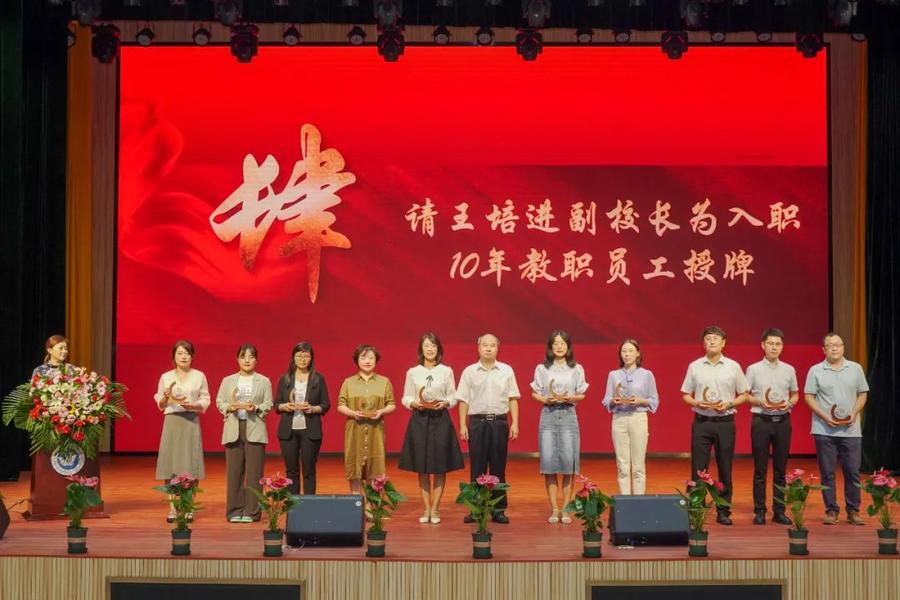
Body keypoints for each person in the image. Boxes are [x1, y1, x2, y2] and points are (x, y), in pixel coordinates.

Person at [680, 326, 749, 525]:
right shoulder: (695, 366)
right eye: (708, 338)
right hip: (701, 422)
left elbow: (744, 394)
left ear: (723, 343)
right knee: (698, 468)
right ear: (703, 343)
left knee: (725, 467)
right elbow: (685, 394)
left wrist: (729, 404)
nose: (712, 341)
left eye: (716, 338)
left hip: (725, 423)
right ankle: (697, 509)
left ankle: (723, 510)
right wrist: (696, 403)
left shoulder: (733, 366)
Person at [398, 333, 465, 524]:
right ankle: (426, 508)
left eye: (433, 346)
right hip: (419, 419)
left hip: (440, 419)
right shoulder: (413, 372)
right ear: (421, 349)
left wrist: (446, 403)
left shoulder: (446, 371)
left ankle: (435, 509)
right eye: (426, 345)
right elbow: (406, 397)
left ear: (438, 349)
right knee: (422, 467)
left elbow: (453, 396)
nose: (430, 349)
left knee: (440, 466)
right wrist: (413, 403)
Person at [804, 332, 869, 526]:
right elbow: (809, 396)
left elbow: (862, 394)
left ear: (843, 347)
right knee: (827, 472)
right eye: (830, 345)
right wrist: (825, 417)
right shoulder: (815, 370)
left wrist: (854, 413)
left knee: (853, 471)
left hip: (851, 431)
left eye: (838, 344)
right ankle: (831, 510)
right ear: (823, 349)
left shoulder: (855, 368)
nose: (834, 348)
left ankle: (853, 510)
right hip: (824, 430)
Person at [457, 333, 520, 524]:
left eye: (492, 345)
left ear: (498, 348)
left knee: (498, 467)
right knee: (477, 467)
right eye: (485, 345)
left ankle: (498, 510)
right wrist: (463, 425)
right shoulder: (469, 371)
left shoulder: (506, 370)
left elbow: (513, 398)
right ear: (478, 348)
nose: (488, 348)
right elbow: (463, 400)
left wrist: (515, 422)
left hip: (499, 423)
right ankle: (476, 510)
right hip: (477, 423)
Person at [531, 330, 587, 524]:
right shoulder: (542, 368)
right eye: (555, 343)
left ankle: (566, 509)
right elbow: (535, 393)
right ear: (550, 347)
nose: (559, 346)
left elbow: (582, 394)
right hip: (548, 415)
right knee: (549, 464)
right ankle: (555, 508)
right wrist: (545, 399)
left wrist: (571, 397)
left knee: (568, 465)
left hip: (568, 415)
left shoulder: (576, 368)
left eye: (562, 343)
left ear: (568, 346)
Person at [745, 328, 799, 526]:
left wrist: (790, 403)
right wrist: (760, 401)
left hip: (782, 422)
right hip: (761, 421)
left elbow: (795, 394)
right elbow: (745, 395)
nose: (774, 347)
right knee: (760, 469)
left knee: (780, 470)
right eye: (770, 343)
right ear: (763, 345)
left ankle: (779, 511)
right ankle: (760, 511)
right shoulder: (753, 369)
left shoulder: (789, 369)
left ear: (782, 346)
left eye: (778, 344)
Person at [216, 344, 273, 523]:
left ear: (256, 360)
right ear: (237, 359)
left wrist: (255, 407)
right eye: (243, 356)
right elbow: (220, 401)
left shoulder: (264, 381)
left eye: (251, 356)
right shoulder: (228, 380)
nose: (247, 360)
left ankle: (252, 511)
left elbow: (268, 404)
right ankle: (234, 510)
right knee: (234, 473)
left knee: (255, 473)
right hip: (233, 427)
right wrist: (229, 407)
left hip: (255, 428)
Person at [154, 340, 210, 523]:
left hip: (190, 421)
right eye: (179, 353)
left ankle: (188, 508)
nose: (183, 357)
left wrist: (194, 405)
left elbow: (205, 399)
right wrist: (164, 398)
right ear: (174, 357)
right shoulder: (166, 377)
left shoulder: (199, 376)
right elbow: (161, 403)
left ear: (192, 356)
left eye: (187, 353)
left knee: (191, 465)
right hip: (172, 422)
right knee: (170, 466)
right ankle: (172, 508)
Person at [337, 344, 396, 498]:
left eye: (371, 358)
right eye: (363, 358)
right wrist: (353, 413)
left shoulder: (384, 381)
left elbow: (391, 404)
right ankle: (357, 505)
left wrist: (381, 412)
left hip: (376, 432)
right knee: (355, 470)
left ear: (376, 360)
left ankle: (371, 507)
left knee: (375, 470)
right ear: (357, 360)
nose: (367, 361)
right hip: (354, 430)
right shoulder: (348, 382)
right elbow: (340, 405)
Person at [602, 339, 659, 496]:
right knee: (622, 464)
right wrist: (613, 401)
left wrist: (640, 401)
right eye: (624, 351)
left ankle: (639, 501)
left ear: (638, 353)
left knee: (638, 464)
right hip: (619, 419)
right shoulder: (613, 375)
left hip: (638, 417)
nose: (627, 354)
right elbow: (606, 399)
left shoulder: (647, 375)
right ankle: (625, 501)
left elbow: (654, 400)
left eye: (630, 351)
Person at [275, 342, 330, 496]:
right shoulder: (285, 379)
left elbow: (325, 405)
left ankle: (309, 504)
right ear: (293, 357)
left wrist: (312, 409)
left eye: (306, 356)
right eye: (299, 355)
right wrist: (285, 406)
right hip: (288, 431)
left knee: (309, 470)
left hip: (310, 430)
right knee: (291, 471)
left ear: (311, 358)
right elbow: (276, 404)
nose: (303, 359)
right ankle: (293, 505)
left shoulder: (318, 379)